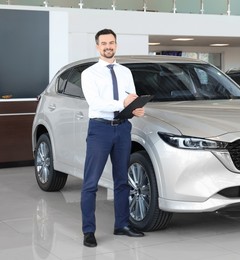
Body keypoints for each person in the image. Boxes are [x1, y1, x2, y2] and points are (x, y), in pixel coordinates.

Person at [80, 28, 145, 247]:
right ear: (97, 46)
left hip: (122, 128)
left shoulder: (125, 71)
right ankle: (88, 231)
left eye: (112, 43)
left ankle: (122, 225)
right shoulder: (89, 74)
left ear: (116, 44)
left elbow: (130, 97)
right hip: (100, 129)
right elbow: (96, 103)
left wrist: (135, 108)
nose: (108, 47)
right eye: (104, 43)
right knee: (91, 183)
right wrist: (123, 104)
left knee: (122, 180)